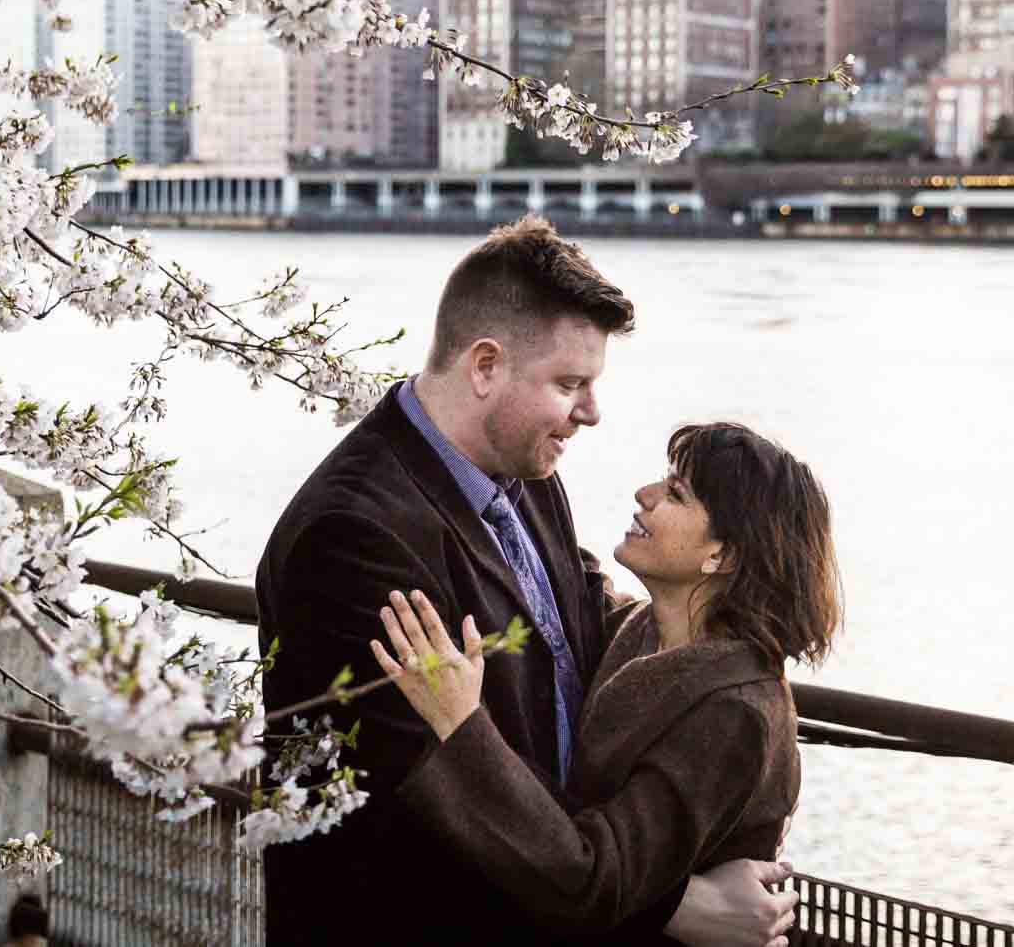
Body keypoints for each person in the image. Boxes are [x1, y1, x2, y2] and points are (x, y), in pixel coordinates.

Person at [255, 218, 798, 946]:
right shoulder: (356, 539)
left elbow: (576, 622)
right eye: (570, 383)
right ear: (485, 366)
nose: (592, 412)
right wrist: (671, 905)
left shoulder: (525, 472)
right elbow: (438, 818)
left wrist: (732, 643)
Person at [372, 422, 841, 945]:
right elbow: (549, 570)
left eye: (676, 494)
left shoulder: (734, 711)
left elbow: (597, 883)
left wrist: (462, 726)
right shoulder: (639, 630)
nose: (645, 494)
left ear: (721, 556)